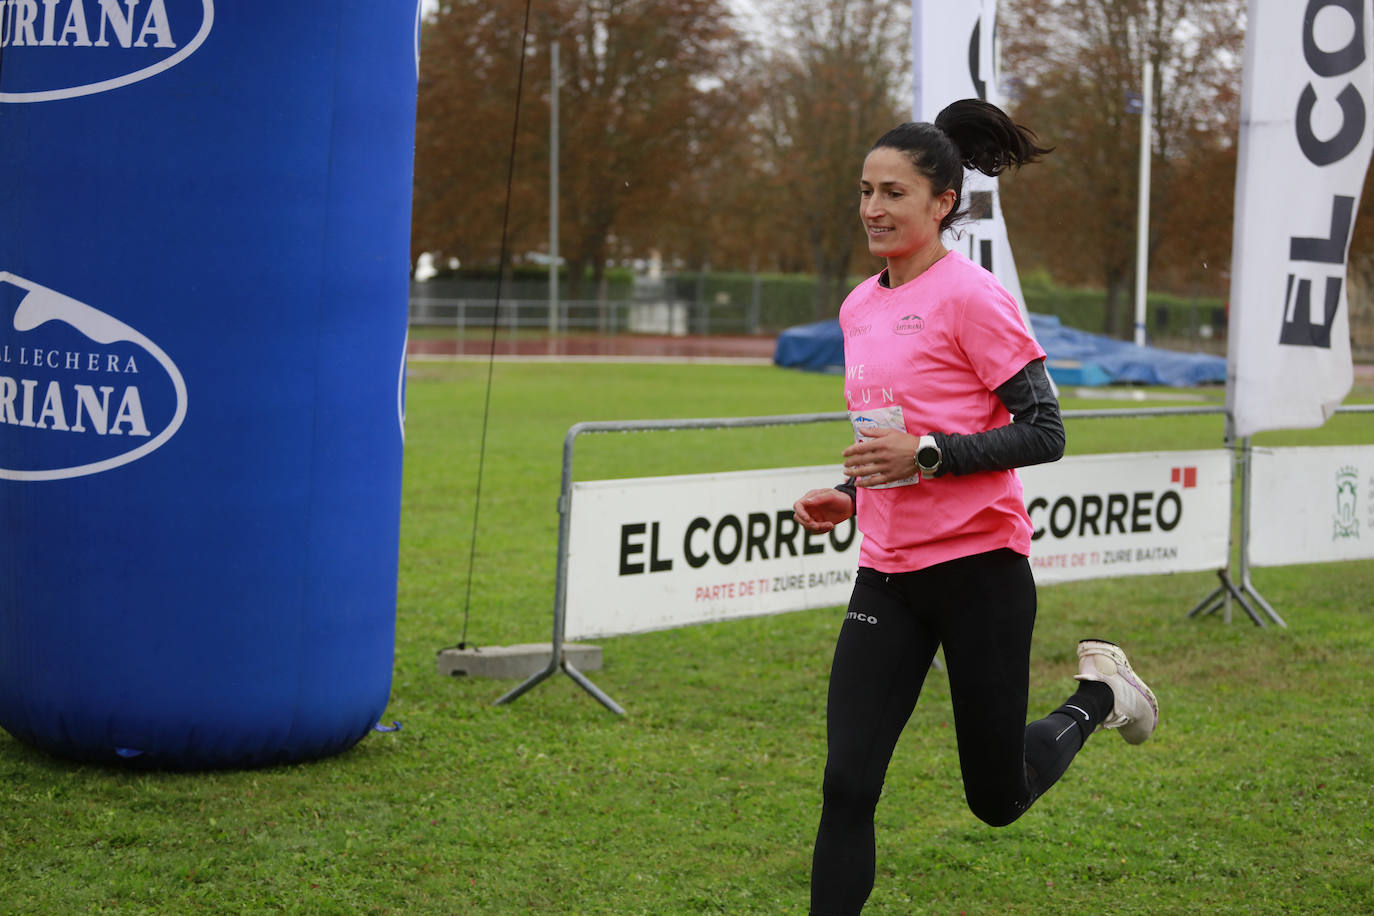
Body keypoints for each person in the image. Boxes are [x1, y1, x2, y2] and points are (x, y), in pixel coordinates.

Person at [791, 99, 1159, 916]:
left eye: (892, 193)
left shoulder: (974, 298)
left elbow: (1045, 430)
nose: (873, 210)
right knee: (846, 786)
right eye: (864, 192)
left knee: (996, 798)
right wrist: (850, 491)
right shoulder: (859, 306)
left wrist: (928, 455)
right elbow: (891, 431)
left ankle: (1102, 694)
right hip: (886, 576)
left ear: (942, 202)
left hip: (980, 572)